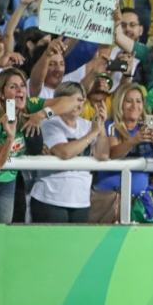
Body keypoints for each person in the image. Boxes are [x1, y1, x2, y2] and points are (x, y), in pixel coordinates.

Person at [0, 69, 77, 224]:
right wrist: (10, 138)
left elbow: (71, 101)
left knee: (1, 234)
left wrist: (41, 115)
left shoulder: (28, 106)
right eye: (13, 87)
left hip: (9, 182)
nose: (20, 90)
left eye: (22, 86)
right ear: (1, 94)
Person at [30, 82, 110, 224]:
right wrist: (92, 133)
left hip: (81, 201)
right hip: (50, 198)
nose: (77, 104)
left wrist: (101, 127)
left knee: (77, 246)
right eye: (72, 100)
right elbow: (65, 152)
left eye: (80, 100)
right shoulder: (49, 123)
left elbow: (103, 155)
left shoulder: (87, 125)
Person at [92, 84, 153, 224]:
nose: (134, 105)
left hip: (140, 200)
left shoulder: (147, 126)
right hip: (110, 199)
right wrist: (133, 141)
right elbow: (113, 153)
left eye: (138, 101)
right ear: (120, 104)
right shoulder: (110, 125)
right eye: (129, 101)